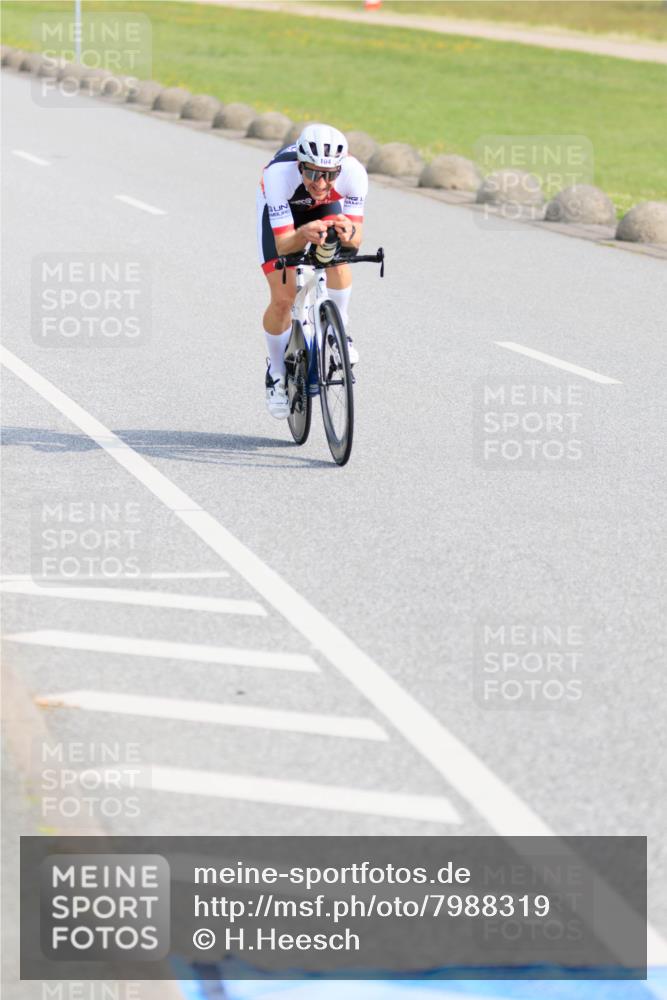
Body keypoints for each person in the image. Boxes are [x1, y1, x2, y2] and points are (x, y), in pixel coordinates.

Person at [256, 123, 368, 418]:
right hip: (285, 213)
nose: (321, 182)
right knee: (283, 297)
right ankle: (277, 373)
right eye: (313, 173)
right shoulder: (278, 175)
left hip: (324, 211)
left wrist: (347, 233)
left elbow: (357, 239)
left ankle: (339, 329)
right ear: (300, 165)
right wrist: (303, 232)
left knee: (340, 257)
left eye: (330, 175)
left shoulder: (355, 174)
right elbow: (282, 244)